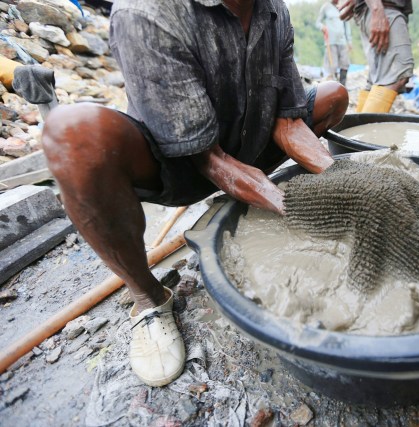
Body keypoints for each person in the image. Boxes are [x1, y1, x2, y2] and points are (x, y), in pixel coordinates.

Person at [40, 0, 348, 387]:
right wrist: (297, 208)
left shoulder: (273, 10)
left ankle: (258, 189)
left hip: (249, 143)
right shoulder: (146, 11)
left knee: (334, 95)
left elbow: (287, 122)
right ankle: (149, 300)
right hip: (181, 162)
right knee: (74, 136)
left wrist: (346, 179)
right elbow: (208, 158)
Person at [339, 0, 414, 113]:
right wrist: (377, 9)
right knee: (398, 74)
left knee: (377, 82)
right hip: (384, 10)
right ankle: (366, 130)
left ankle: (357, 127)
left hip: (378, 10)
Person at [316, 0, 352, 86]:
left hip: (342, 41)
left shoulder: (343, 7)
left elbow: (347, 25)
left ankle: (343, 85)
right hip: (331, 42)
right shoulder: (326, 7)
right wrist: (322, 27)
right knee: (333, 66)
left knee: (345, 64)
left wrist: (349, 41)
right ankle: (334, 86)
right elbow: (318, 22)